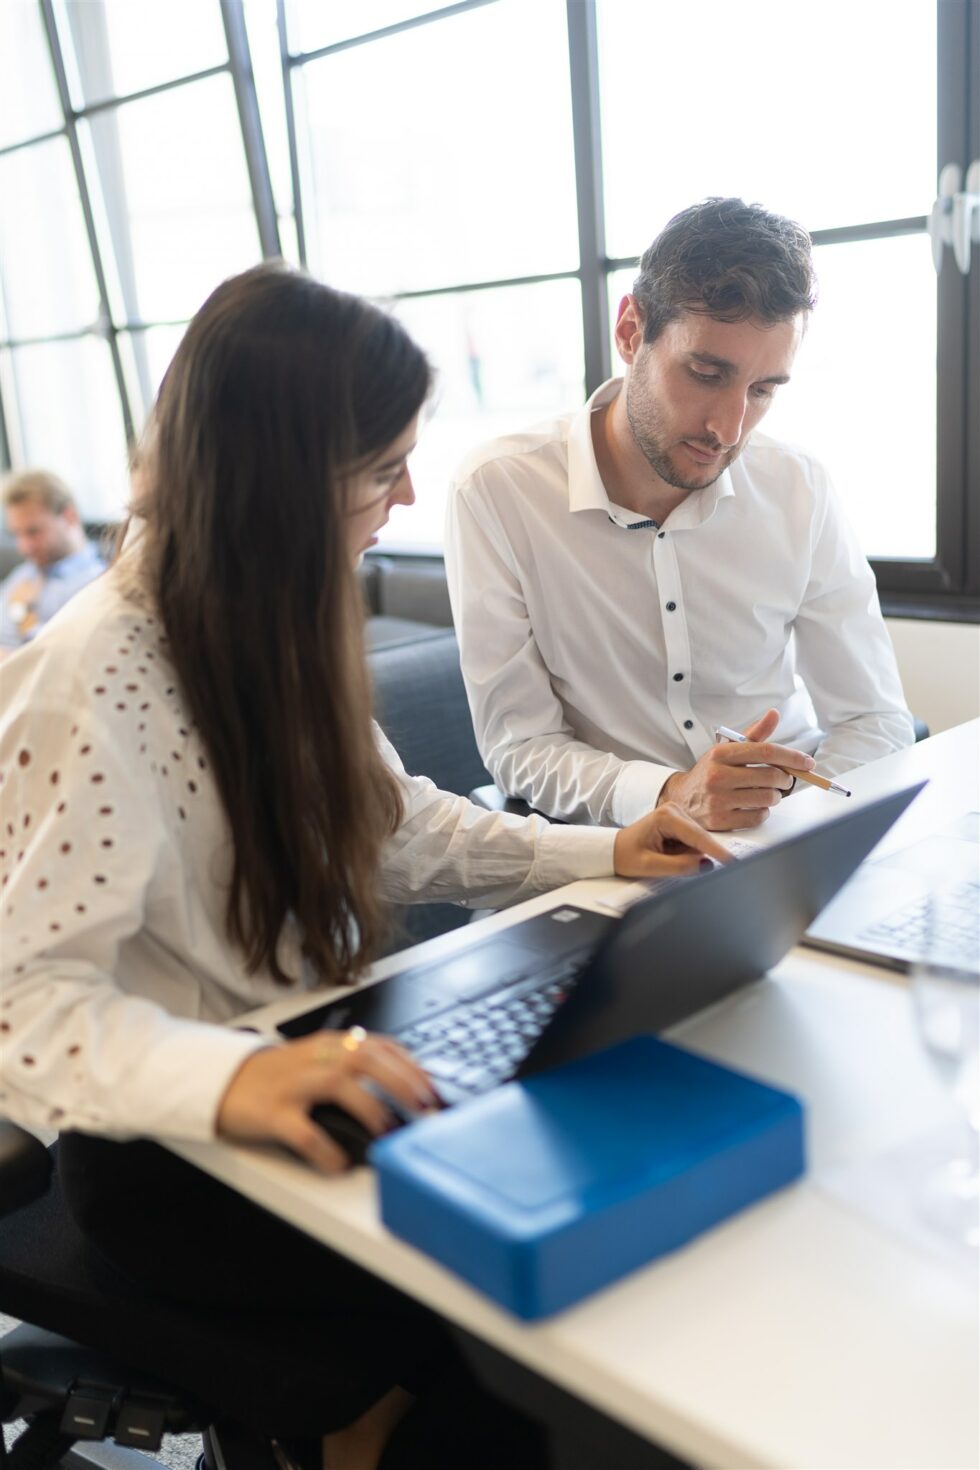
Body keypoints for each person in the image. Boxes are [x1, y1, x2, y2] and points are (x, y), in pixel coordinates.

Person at [0, 263, 728, 1470]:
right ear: (278, 477)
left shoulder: (266, 619)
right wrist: (236, 1084)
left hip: (323, 1052)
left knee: (606, 1264)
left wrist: (604, 848)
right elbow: (26, 1014)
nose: (404, 492)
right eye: (378, 464)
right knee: (504, 1366)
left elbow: (399, 832)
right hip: (178, 1151)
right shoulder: (91, 679)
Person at [445, 198, 914, 832]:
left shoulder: (798, 487)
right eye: (706, 372)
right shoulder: (498, 490)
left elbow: (873, 718)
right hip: (618, 848)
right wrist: (671, 795)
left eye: (764, 389)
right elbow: (520, 748)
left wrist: (798, 822)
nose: (729, 428)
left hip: (785, 830)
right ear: (631, 330)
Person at [0, 469, 105, 655]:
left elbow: (59, 659)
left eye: (33, 532)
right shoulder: (25, 572)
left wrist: (23, 615)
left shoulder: (95, 582)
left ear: (69, 516)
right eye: (16, 533)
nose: (23, 547)